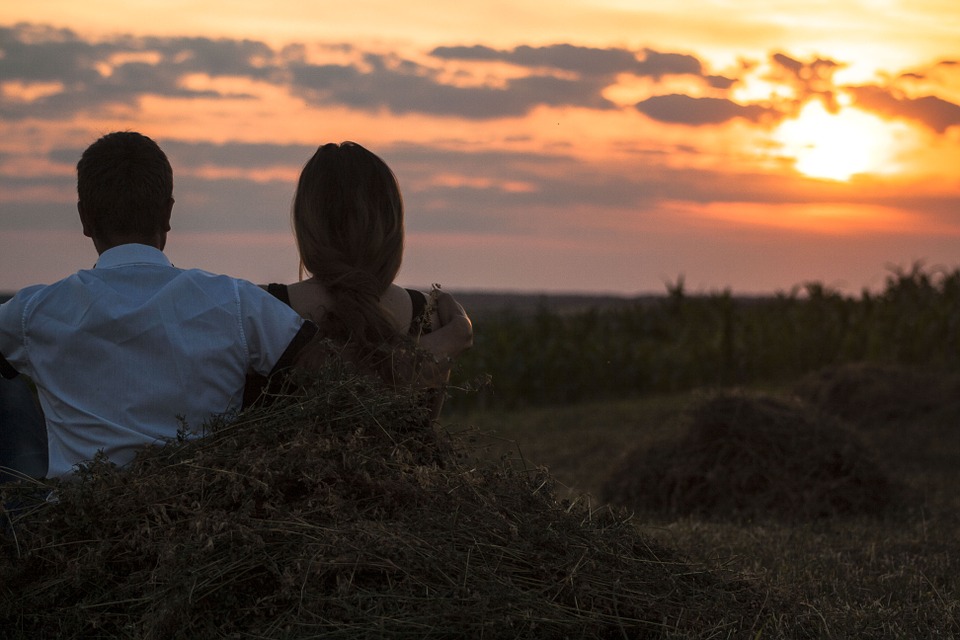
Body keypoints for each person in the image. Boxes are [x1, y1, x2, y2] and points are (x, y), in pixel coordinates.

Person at [0, 131, 318, 480]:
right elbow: (320, 371)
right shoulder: (238, 302)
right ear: (168, 214)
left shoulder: (34, 312)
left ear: (84, 219)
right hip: (206, 518)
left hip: (75, 526)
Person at [258, 141, 472, 410]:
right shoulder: (431, 316)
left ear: (307, 224)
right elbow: (423, 434)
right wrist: (457, 333)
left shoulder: (259, 307)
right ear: (391, 225)